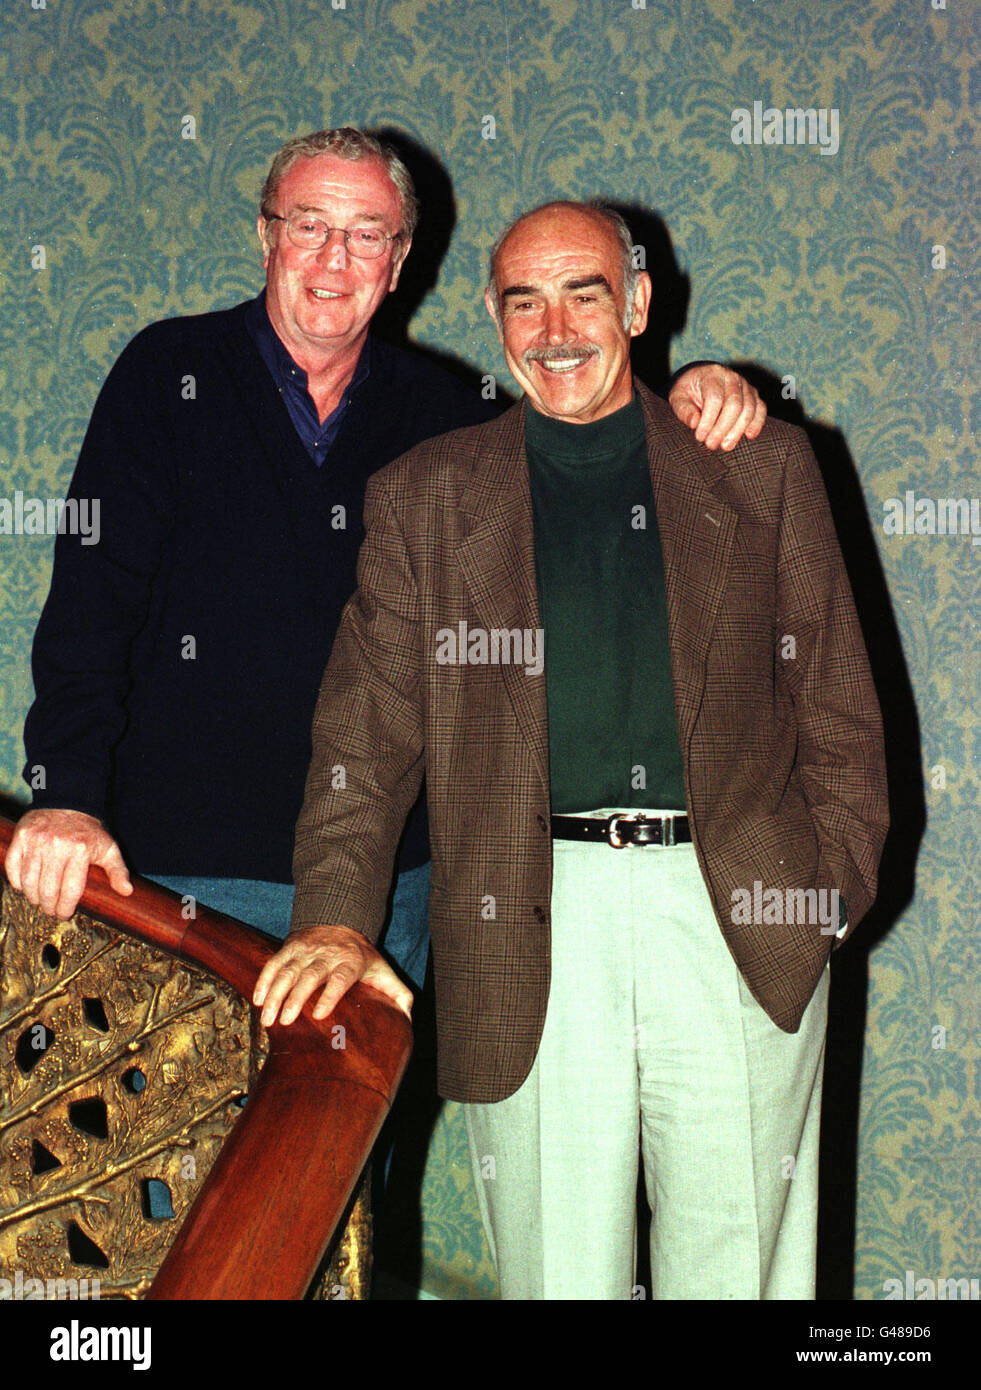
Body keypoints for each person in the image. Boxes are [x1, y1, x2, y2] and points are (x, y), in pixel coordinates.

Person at [254, 200, 890, 1300]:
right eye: (524, 300)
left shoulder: (758, 465)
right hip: (531, 915)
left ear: (638, 304)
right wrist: (335, 917)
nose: (554, 327)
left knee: (745, 1277)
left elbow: (837, 707)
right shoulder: (427, 500)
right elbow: (364, 733)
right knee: (558, 1281)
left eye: (584, 293)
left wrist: (826, 896)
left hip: (738, 910)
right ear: (496, 318)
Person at [6, 131, 764, 991]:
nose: (336, 256)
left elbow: (591, 448)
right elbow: (88, 607)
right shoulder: (166, 373)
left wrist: (697, 390)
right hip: (175, 866)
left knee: (350, 1129)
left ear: (399, 260)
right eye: (309, 225)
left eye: (367, 233)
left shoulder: (449, 417)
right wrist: (65, 792)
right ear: (266, 236)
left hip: (388, 885)